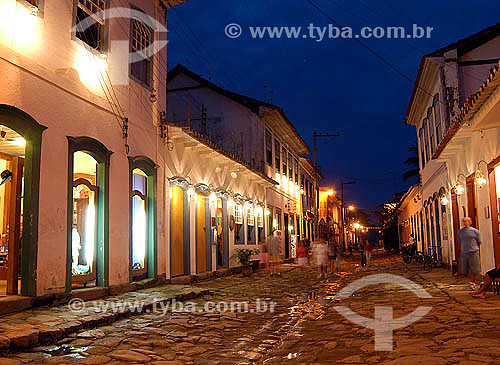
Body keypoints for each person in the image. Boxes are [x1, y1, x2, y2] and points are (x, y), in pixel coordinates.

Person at [457, 217, 482, 290]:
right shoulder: (460, 232)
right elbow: (459, 241)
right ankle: (471, 281)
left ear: (470, 222)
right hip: (464, 252)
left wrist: (475, 249)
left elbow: (479, 241)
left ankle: (472, 282)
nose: (465, 223)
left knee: (475, 268)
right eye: (464, 221)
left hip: (473, 252)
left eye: (467, 221)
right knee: (465, 269)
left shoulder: (475, 231)